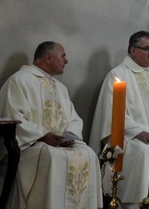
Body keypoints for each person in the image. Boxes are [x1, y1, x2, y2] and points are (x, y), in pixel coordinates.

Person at [0, 42, 102, 209]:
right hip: (31, 145)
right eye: (63, 56)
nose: (66, 61)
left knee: (88, 153)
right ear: (48, 58)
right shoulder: (19, 80)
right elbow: (12, 118)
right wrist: (43, 135)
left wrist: (69, 134)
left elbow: (73, 118)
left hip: (58, 143)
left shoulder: (60, 87)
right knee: (54, 157)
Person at [89, 31, 149, 209]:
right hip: (129, 136)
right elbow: (113, 112)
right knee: (145, 153)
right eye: (146, 48)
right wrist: (137, 131)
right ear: (133, 51)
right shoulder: (118, 75)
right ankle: (137, 204)